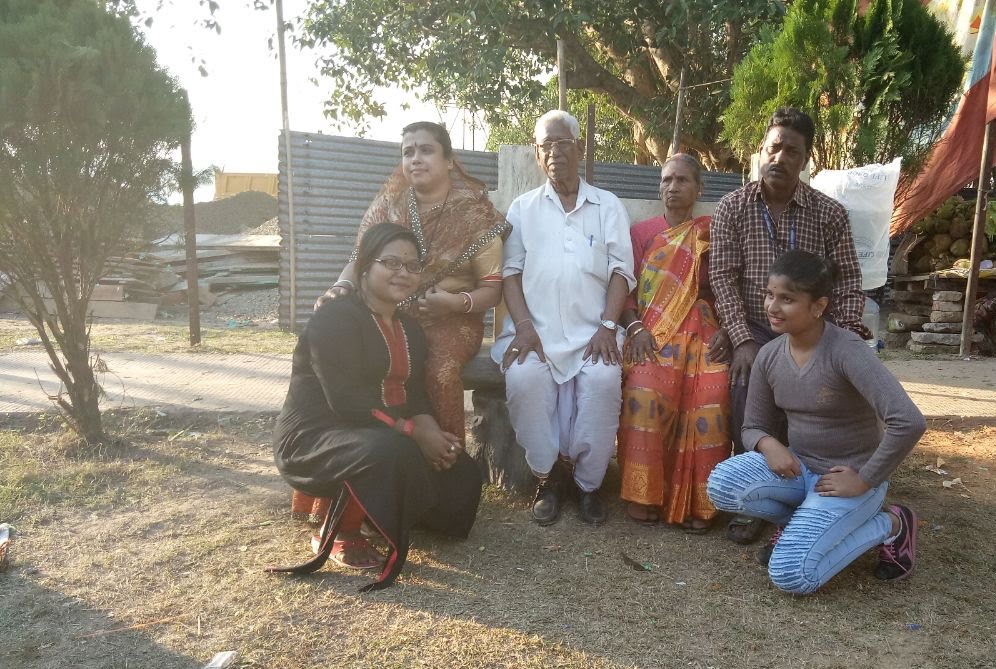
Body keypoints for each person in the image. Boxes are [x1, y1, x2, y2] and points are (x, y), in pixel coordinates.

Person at [293, 121, 510, 526]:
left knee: (439, 372)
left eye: (426, 150)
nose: (415, 158)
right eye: (408, 151)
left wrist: (453, 303)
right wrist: (340, 288)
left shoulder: (476, 214)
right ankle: (340, 487)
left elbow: (492, 291)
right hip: (389, 314)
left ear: (448, 160)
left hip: (453, 319)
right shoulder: (389, 205)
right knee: (356, 375)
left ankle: (441, 471)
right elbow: (362, 259)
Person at [270, 223, 484, 591]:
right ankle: (339, 532)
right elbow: (346, 400)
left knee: (463, 472)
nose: (403, 273)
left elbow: (414, 393)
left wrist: (431, 434)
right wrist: (413, 434)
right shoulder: (334, 318)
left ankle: (377, 513)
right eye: (391, 263)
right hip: (316, 436)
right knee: (391, 450)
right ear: (366, 266)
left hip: (376, 431)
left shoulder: (409, 328)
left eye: (413, 266)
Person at [706, 250, 926, 595]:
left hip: (847, 479)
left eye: (787, 299)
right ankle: (798, 523)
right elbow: (753, 427)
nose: (772, 307)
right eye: (769, 295)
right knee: (723, 485)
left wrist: (865, 479)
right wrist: (770, 444)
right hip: (799, 470)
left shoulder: (847, 351)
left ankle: (892, 524)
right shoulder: (769, 355)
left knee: (791, 575)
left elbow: (908, 421)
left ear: (818, 306)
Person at [709, 106, 869, 545]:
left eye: (791, 152)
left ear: (805, 159)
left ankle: (824, 488)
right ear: (761, 151)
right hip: (758, 328)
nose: (780, 158)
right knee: (746, 388)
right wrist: (742, 339)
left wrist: (846, 335)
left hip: (815, 331)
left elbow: (850, 281)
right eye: (773, 148)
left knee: (828, 392)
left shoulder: (829, 214)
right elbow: (722, 277)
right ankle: (758, 495)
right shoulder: (733, 207)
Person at [492, 110, 634, 526]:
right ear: (537, 155)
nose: (554, 152)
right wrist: (523, 327)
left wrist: (609, 326)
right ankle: (549, 477)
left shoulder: (607, 206)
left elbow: (622, 273)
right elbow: (510, 273)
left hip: (595, 333)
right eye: (545, 145)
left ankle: (588, 485)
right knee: (523, 379)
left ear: (581, 147)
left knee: (604, 381)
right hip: (534, 331)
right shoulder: (523, 208)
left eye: (562, 143)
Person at [616, 154, 732, 532]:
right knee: (645, 391)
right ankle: (642, 493)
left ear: (699, 188)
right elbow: (626, 293)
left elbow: (725, 289)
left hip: (702, 330)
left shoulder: (709, 232)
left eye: (682, 180)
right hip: (651, 330)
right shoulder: (641, 233)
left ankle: (703, 500)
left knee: (711, 394)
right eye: (666, 180)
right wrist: (635, 330)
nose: (672, 187)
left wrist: (727, 331)